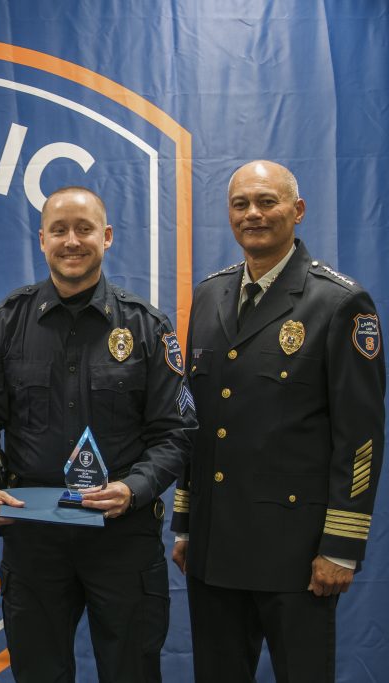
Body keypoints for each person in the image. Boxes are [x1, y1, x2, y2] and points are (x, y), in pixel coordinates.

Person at [0, 186, 196, 683]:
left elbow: (176, 432)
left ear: (106, 237)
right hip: (35, 538)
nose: (72, 241)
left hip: (122, 535)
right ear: (41, 240)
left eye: (84, 229)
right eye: (59, 230)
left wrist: (136, 487)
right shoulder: (4, 325)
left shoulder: (146, 327)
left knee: (132, 672)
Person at [170, 160, 385, 682]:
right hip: (215, 546)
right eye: (241, 204)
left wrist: (341, 545)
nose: (253, 214)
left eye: (267, 202)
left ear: (298, 210)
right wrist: (184, 520)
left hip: (297, 554)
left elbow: (360, 437)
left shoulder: (339, 302)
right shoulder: (208, 294)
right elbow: (195, 418)